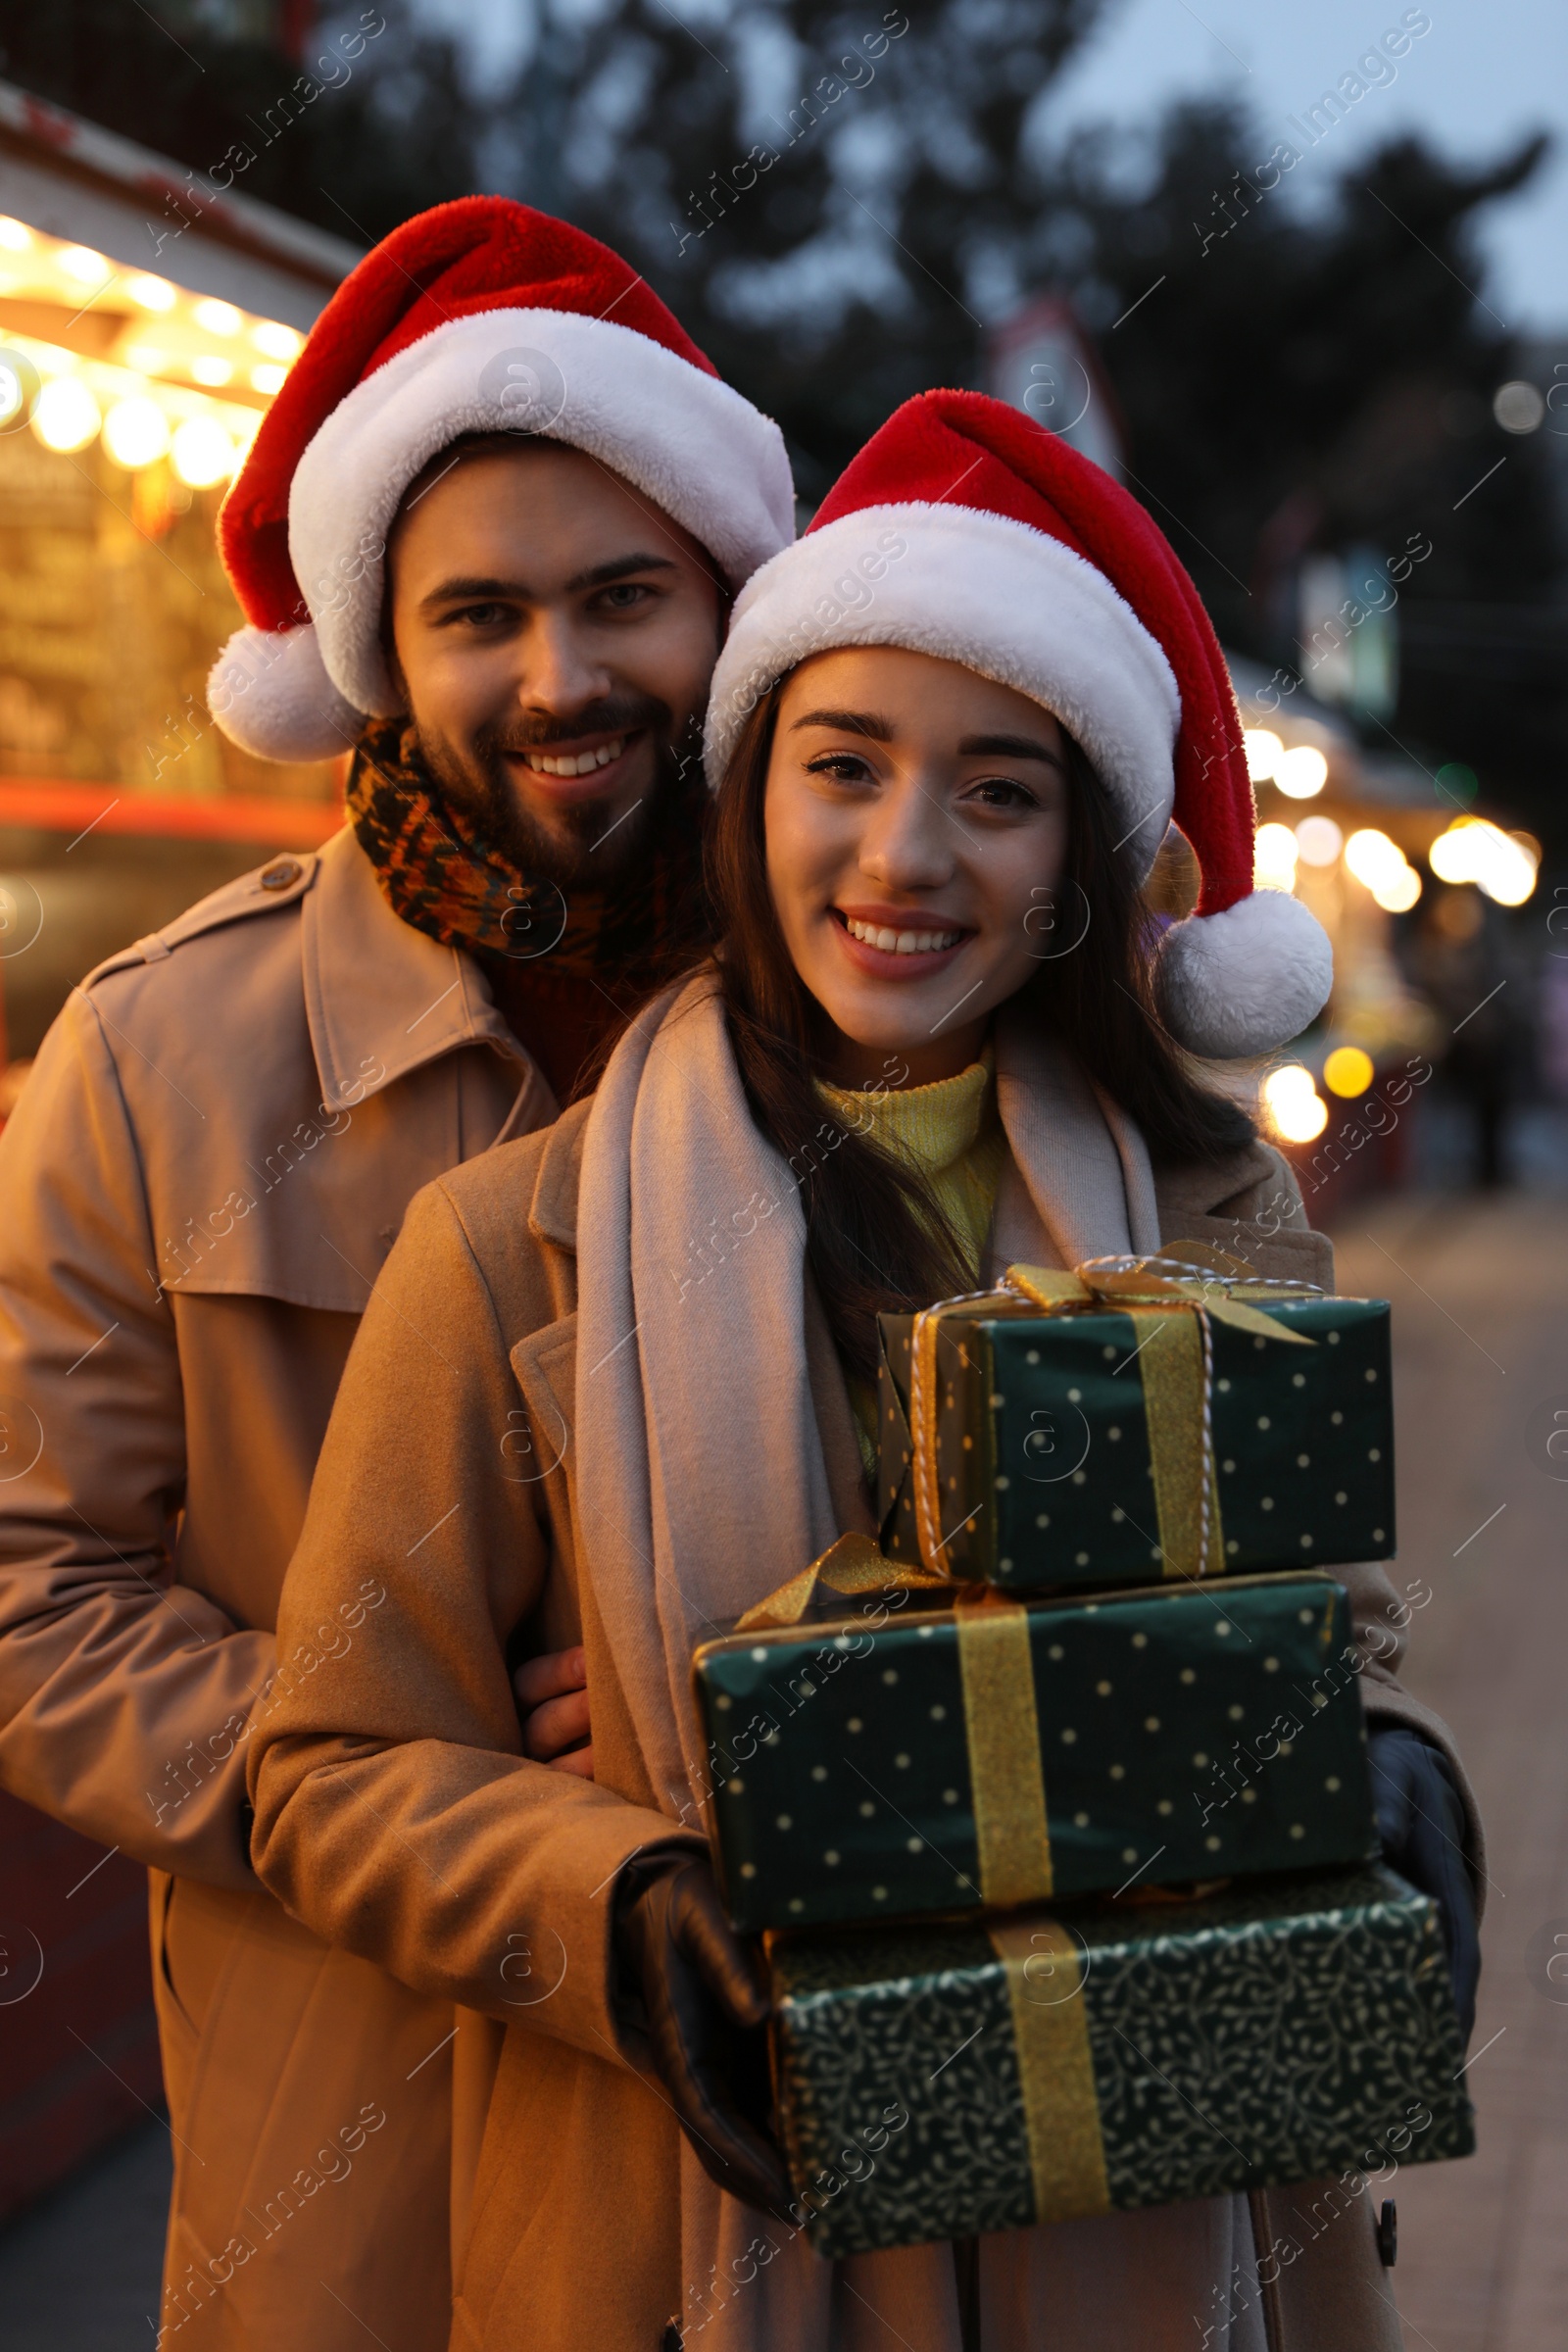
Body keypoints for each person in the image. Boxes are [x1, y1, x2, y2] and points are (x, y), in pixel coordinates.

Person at [247, 393, 1480, 2351]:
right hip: (694, 2226)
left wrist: (1385, 1763)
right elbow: (325, 1771)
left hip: (1154, 2191)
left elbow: (1312, 1633)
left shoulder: (1201, 1194)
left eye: (996, 791)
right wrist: (623, 1904)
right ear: (744, 793)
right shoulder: (503, 1248)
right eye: (843, 765)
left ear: (1074, 850)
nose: (905, 855)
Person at [0, 195, 791, 2351]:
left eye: (625, 595)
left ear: (727, 605)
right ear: (377, 651)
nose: (561, 678)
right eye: (481, 615)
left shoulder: (856, 1025)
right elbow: (28, 1594)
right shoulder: (162, 1054)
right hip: (362, 2153)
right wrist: (428, 1790)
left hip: (802, 2146)